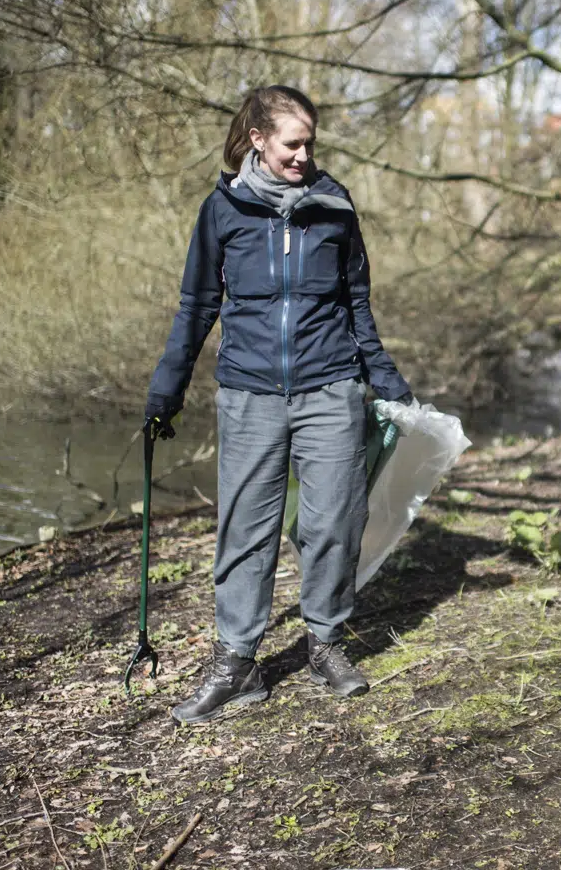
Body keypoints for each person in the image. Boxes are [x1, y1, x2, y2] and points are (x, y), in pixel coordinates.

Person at [144, 85, 414, 725]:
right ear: (258, 141)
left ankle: (324, 642)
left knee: (333, 523)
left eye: (310, 143)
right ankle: (237, 663)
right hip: (249, 393)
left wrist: (389, 382)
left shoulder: (335, 206)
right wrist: (167, 389)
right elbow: (196, 308)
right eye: (293, 143)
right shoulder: (223, 210)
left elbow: (357, 307)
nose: (303, 155)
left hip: (331, 388)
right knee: (245, 530)